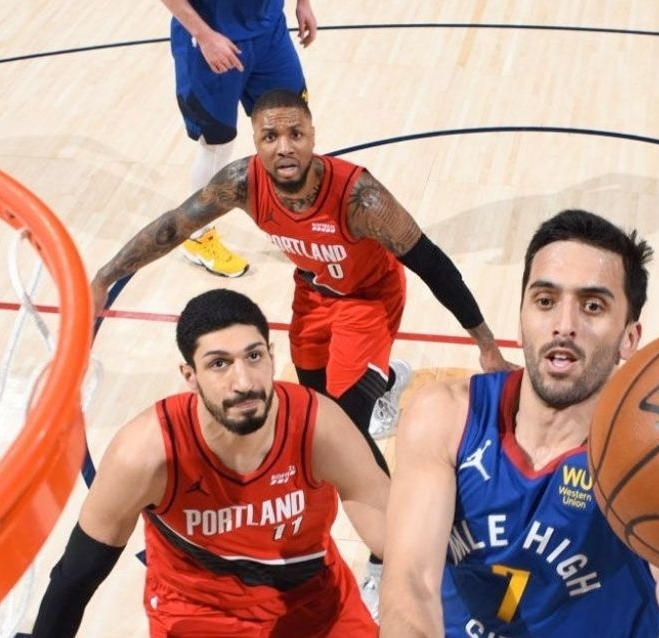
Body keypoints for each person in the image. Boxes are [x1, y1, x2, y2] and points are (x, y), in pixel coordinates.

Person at [89, 88, 514, 617]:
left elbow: (433, 263)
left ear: (314, 136)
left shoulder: (361, 200)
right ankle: (386, 381)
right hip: (312, 294)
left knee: (345, 429)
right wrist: (105, 276)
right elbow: (176, 225)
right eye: (270, 136)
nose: (284, 146)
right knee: (315, 411)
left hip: (367, 300)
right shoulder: (242, 182)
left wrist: (486, 344)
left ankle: (387, 557)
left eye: (296, 133)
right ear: (255, 141)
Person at [378, 209, 659, 637]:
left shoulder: (657, 454)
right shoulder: (447, 415)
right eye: (545, 300)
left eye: (593, 306)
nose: (564, 324)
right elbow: (410, 580)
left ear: (629, 338)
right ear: (521, 318)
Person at [31, 288, 385, 637]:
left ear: (271, 356)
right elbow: (74, 580)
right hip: (199, 617)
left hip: (315, 603)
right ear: (190, 376)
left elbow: (398, 544)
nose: (243, 382)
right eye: (219, 364)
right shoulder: (146, 454)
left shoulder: (318, 426)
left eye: (254, 356)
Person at [163, 0, 317, 278]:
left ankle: (292, 221)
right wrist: (204, 36)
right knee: (217, 145)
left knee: (290, 124)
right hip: (212, 38)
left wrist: (303, 3)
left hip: (269, 30)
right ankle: (197, 236)